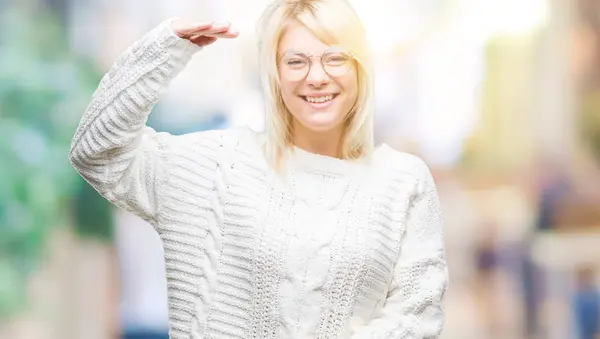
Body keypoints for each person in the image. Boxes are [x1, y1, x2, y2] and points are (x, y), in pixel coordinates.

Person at [68, 0, 449, 338]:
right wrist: (164, 48)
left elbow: (418, 313)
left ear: (361, 70)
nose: (316, 76)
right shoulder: (212, 165)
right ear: (275, 75)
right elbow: (97, 151)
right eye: (296, 61)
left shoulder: (403, 181)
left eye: (335, 58)